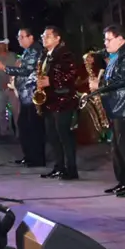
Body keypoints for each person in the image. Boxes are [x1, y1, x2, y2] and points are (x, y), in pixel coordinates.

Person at [91, 25, 125, 197]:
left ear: (121, 39)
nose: (105, 43)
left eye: (109, 39)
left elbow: (120, 79)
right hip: (117, 106)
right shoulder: (118, 54)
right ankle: (123, 182)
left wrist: (99, 85)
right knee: (117, 147)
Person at [0, 28, 46, 166]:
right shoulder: (27, 51)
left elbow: (26, 70)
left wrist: (5, 68)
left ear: (31, 37)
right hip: (25, 95)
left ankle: (37, 158)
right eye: (18, 37)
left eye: (22, 37)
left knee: (32, 127)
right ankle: (29, 156)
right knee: (24, 126)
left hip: (32, 94)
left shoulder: (34, 50)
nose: (19, 39)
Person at [38, 26, 79, 180]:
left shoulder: (65, 54)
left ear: (57, 38)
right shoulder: (44, 55)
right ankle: (59, 167)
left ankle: (71, 169)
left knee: (64, 136)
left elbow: (71, 75)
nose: (44, 38)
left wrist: (51, 81)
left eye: (48, 36)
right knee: (52, 136)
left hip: (63, 101)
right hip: (49, 101)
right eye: (43, 35)